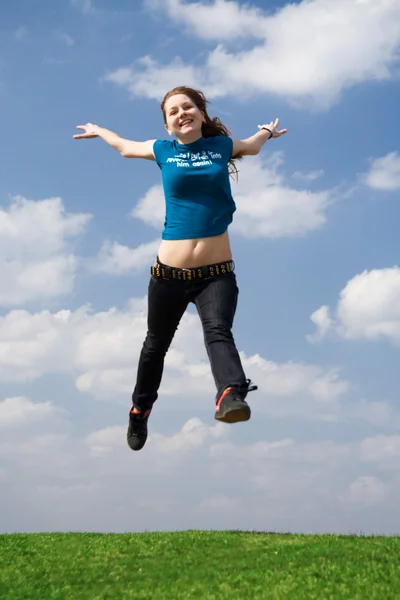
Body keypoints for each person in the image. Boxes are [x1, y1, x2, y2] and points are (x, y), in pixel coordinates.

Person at [74, 86, 287, 451]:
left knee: (218, 332)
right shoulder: (163, 151)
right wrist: (101, 131)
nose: (181, 113)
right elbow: (125, 147)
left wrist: (266, 132)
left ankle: (231, 396)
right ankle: (139, 410)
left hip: (216, 273)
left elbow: (250, 146)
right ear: (167, 125)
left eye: (187, 107)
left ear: (201, 114)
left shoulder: (221, 147)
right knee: (155, 346)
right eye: (173, 111)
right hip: (169, 277)